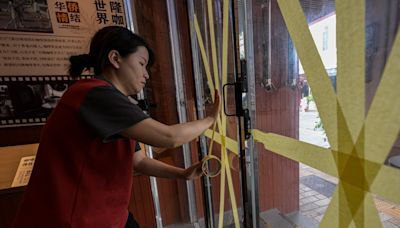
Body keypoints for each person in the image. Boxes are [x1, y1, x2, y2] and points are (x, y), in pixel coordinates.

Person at [13, 26, 220, 228]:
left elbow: (137, 160)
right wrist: (209, 119)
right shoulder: (94, 94)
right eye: (141, 63)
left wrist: (182, 174)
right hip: (74, 218)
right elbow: (169, 137)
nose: (146, 75)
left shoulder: (114, 102)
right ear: (115, 59)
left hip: (108, 214)